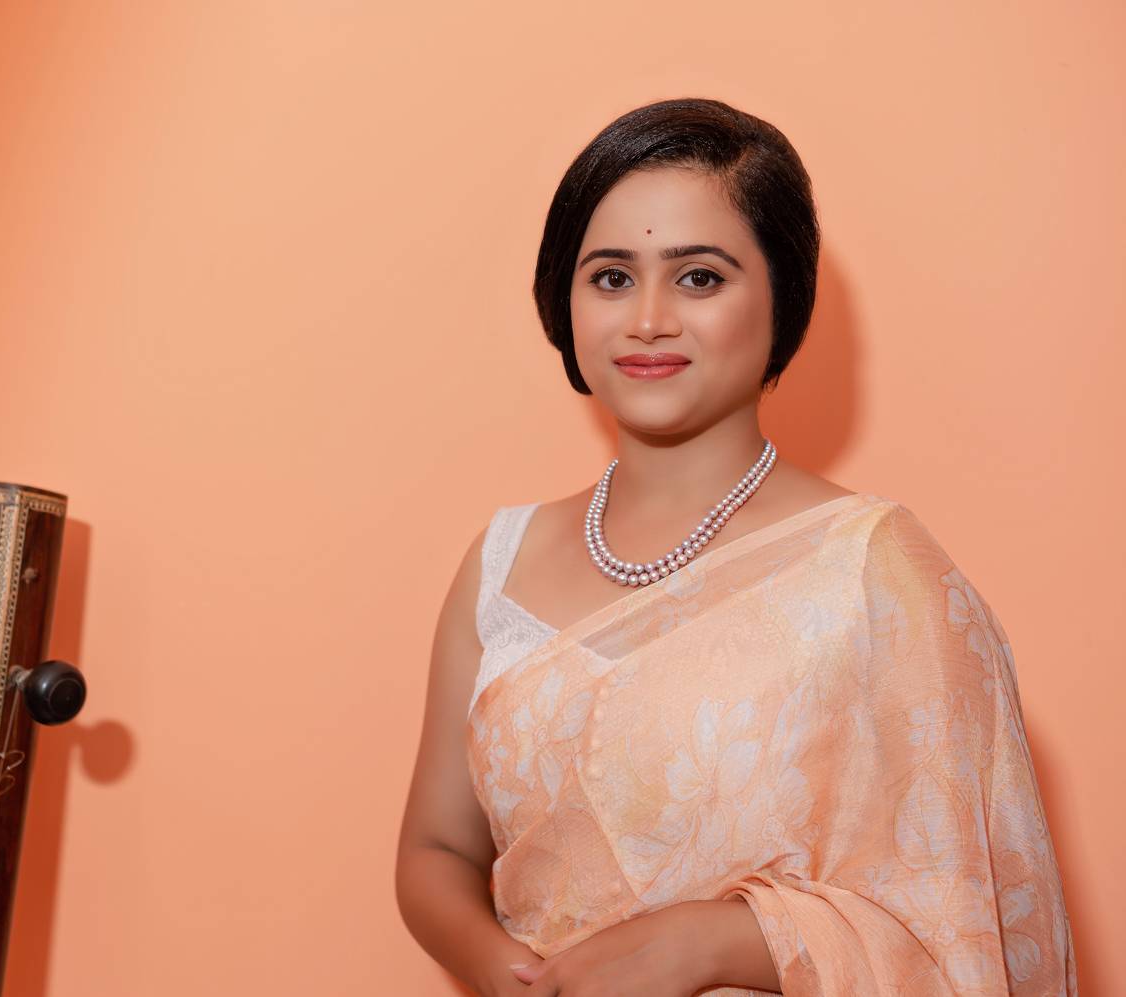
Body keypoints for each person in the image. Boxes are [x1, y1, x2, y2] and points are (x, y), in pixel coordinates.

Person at [394, 97, 1076, 996]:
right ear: (564, 298)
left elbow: (964, 924)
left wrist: (717, 942)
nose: (647, 319)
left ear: (782, 294)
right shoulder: (501, 561)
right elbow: (436, 848)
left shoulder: (872, 568)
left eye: (699, 278)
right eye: (611, 277)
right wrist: (510, 971)